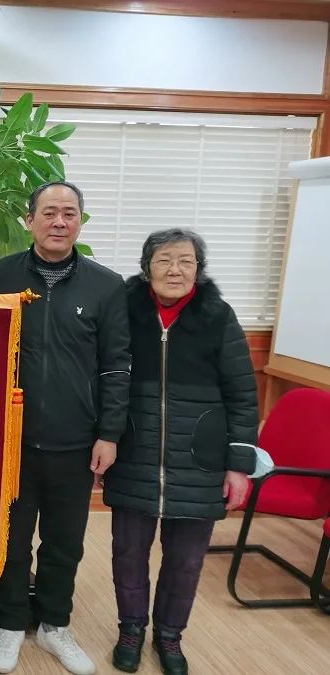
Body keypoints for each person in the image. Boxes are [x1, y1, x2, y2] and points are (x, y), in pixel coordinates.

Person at [0, 181, 131, 675]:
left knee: (65, 543)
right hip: (12, 440)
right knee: (11, 541)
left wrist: (109, 433)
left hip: (77, 441)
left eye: (69, 213)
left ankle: (54, 626)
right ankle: (10, 624)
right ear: (30, 220)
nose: (59, 222)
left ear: (80, 222)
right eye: (49, 213)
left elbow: (116, 366)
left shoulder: (106, 285)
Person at [104, 229, 257, 675]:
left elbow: (243, 395)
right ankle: (131, 629)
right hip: (135, 451)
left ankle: (169, 635)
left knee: (186, 561)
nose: (175, 270)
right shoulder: (124, 310)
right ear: (146, 267)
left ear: (198, 269)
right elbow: (104, 377)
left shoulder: (218, 315)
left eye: (186, 261)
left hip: (200, 458)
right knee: (128, 553)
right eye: (164, 260)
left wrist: (239, 466)